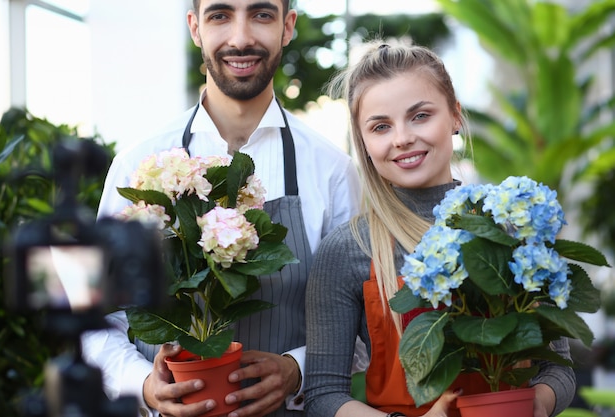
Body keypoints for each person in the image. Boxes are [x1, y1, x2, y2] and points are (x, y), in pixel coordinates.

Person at [81, 1, 363, 417]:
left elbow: (362, 326)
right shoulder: (137, 164)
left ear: (287, 27)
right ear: (195, 28)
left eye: (262, 15)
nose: (241, 37)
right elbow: (92, 317)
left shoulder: (332, 170)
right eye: (220, 15)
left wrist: (297, 371)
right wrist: (142, 384)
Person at [304, 41, 576, 417]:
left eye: (420, 116)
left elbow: (557, 369)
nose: (401, 138)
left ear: (454, 116)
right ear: (364, 142)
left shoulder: (511, 229)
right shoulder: (349, 248)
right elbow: (323, 395)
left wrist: (536, 405)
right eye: (381, 126)